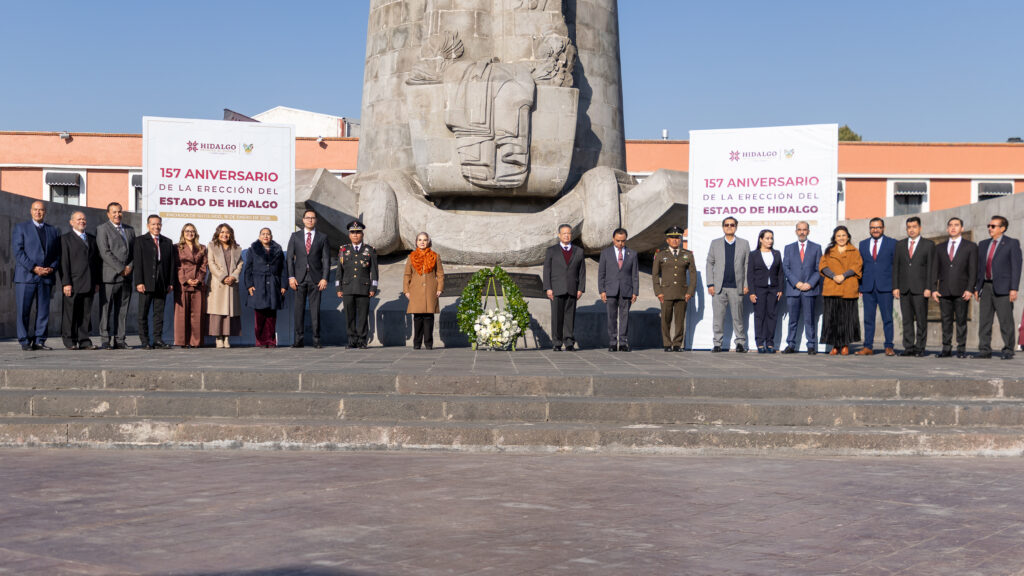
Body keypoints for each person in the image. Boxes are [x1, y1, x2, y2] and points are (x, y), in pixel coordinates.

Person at [12, 201, 62, 351]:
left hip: (46, 277)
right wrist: (34, 268)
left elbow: (57, 254)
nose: (38, 212)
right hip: (26, 277)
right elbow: (18, 252)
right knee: (23, 311)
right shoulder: (21, 228)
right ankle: (24, 341)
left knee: (43, 311)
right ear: (31, 211)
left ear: (45, 212)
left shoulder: (53, 230)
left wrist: (51, 268)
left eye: (41, 210)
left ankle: (40, 340)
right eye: (35, 209)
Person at [974, 215, 1022, 360]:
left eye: (993, 226)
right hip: (986, 287)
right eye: (989, 226)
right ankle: (984, 350)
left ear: (1002, 228)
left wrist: (1014, 288)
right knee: (984, 321)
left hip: (1004, 288)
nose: (990, 228)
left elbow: (1016, 267)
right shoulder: (983, 244)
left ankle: (1008, 350)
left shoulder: (1011, 243)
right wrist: (977, 287)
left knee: (1006, 321)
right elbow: (979, 268)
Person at [931, 217, 977, 358]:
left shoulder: (970, 246)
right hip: (944, 291)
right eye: (950, 225)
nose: (953, 227)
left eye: (956, 225)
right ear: (947, 229)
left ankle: (961, 349)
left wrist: (970, 289)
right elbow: (934, 270)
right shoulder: (939, 248)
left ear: (962, 228)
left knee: (961, 321)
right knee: (946, 321)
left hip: (962, 291)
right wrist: (933, 289)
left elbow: (973, 270)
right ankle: (946, 348)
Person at [287, 210, 331, 348]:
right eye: (308, 218)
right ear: (303, 220)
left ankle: (316, 339)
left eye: (312, 218)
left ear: (316, 220)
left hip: (316, 278)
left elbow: (326, 259)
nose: (310, 220)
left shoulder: (322, 237)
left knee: (315, 310)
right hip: (298, 278)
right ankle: (298, 339)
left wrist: (325, 278)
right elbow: (289, 258)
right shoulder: (295, 236)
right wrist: (291, 277)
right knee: (298, 310)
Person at [58, 211, 101, 350]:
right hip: (73, 282)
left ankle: (84, 340)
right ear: (71, 222)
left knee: (85, 313)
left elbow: (96, 262)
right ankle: (69, 340)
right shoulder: (65, 239)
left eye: (83, 219)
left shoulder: (92, 239)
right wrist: (66, 282)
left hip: (89, 282)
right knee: (70, 313)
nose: (82, 221)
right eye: (78, 219)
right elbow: (64, 262)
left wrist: (97, 282)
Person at [892, 216, 935, 357]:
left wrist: (929, 287)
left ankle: (920, 347)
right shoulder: (900, 245)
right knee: (907, 319)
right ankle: (908, 347)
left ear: (920, 228)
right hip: (904, 288)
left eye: (914, 227)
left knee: (921, 320)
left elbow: (931, 268)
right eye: (909, 227)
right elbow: (896, 267)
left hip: (921, 289)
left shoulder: (928, 245)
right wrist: (895, 286)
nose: (911, 230)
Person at [706, 216, 749, 353]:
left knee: (738, 318)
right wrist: (710, 284)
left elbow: (747, 265)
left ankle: (740, 343)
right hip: (719, 288)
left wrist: (746, 284)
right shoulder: (715, 243)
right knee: (718, 318)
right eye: (726, 225)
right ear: (723, 227)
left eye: (732, 225)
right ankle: (717, 343)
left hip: (737, 287)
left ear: (736, 227)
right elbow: (709, 263)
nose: (729, 227)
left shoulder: (744, 244)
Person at [96, 202, 135, 349]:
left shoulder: (130, 230)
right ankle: (105, 339)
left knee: (122, 310)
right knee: (106, 309)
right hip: (110, 277)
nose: (117, 215)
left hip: (126, 277)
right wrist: (120, 268)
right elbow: (104, 252)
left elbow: (134, 251)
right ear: (108, 214)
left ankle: (120, 339)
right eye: (114, 212)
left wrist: (130, 266)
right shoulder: (102, 229)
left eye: (119, 212)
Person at [133, 214, 175, 350]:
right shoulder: (140, 241)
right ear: (148, 226)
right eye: (153, 224)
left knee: (159, 314)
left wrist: (170, 282)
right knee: (143, 314)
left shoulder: (167, 242)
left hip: (162, 283)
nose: (156, 227)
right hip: (146, 283)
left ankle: (157, 339)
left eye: (158, 224)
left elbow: (171, 264)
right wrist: (139, 282)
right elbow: (138, 263)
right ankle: (144, 340)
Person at [819, 225, 863, 355]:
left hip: (848, 288)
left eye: (843, 235)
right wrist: (834, 276)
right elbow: (823, 266)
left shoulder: (854, 251)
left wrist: (844, 275)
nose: (841, 238)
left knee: (847, 318)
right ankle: (835, 345)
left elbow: (857, 266)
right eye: (838, 236)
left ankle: (845, 345)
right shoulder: (828, 251)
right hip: (832, 287)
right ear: (834, 238)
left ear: (848, 237)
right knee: (832, 318)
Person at [542, 224, 586, 351]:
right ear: (559, 235)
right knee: (556, 317)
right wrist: (548, 288)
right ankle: (557, 342)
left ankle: (569, 342)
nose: (567, 236)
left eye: (569, 233)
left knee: (569, 317)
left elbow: (582, 272)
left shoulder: (578, 251)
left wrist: (580, 288)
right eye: (564, 233)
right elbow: (547, 271)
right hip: (556, 289)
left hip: (572, 288)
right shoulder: (551, 251)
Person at [651, 226, 694, 352]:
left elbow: (693, 275)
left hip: (682, 292)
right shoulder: (660, 254)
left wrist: (690, 292)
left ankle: (677, 344)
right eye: (672, 238)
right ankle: (666, 343)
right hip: (666, 292)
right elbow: (655, 274)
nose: (675, 240)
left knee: (680, 320)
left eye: (677, 238)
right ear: (667, 240)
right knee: (666, 319)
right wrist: (658, 292)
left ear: (680, 240)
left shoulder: (687, 254)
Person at [337, 220, 379, 348]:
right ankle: (351, 340)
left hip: (363, 287)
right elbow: (339, 271)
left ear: (362, 234)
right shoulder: (343, 250)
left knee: (362, 315)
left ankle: (362, 340)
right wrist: (339, 288)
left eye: (358, 232)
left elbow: (374, 271)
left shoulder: (369, 250)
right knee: (349, 315)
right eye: (353, 232)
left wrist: (373, 287)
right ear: (349, 235)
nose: (355, 235)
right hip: (348, 287)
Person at [244, 228, 289, 348]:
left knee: (271, 315)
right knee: (259, 315)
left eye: (268, 234)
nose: (265, 236)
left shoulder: (278, 250)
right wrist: (249, 285)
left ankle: (270, 340)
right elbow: (248, 269)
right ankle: (261, 341)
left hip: (274, 284)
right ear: (259, 236)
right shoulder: (253, 249)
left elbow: (283, 269)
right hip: (258, 284)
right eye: (263, 234)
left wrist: (284, 285)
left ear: (271, 236)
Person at [858, 217, 896, 356]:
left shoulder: (892, 243)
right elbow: (860, 267)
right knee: (868, 319)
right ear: (869, 229)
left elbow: (896, 266)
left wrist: (895, 286)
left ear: (883, 228)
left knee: (887, 318)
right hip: (868, 287)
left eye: (878, 227)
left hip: (886, 287)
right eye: (873, 227)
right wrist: (860, 286)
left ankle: (889, 346)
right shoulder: (863, 244)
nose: (875, 230)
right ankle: (868, 346)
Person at [782, 221, 822, 355]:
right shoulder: (788, 248)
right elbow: (786, 268)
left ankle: (811, 345)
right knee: (792, 320)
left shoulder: (816, 248)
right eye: (799, 229)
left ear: (808, 231)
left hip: (810, 290)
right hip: (793, 289)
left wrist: (810, 284)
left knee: (809, 320)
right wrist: (796, 283)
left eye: (804, 230)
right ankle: (791, 344)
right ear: (796, 232)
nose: (802, 232)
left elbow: (819, 269)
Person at [600, 228, 640, 352]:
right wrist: (602, 290)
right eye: (618, 240)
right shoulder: (605, 253)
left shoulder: (632, 254)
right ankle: (612, 342)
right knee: (611, 317)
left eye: (623, 241)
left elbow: (635, 275)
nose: (620, 243)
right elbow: (601, 274)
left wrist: (635, 292)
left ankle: (623, 342)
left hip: (626, 290)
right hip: (610, 290)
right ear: (613, 239)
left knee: (624, 317)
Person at [403, 232, 444, 350]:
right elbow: (407, 275)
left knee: (429, 317)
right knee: (417, 317)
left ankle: (428, 343)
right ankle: (417, 343)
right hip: (415, 290)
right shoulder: (411, 257)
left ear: (428, 242)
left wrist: (440, 288)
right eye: (420, 240)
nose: (422, 242)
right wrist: (406, 290)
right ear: (416, 242)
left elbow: (440, 274)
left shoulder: (435, 256)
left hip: (431, 290)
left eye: (425, 240)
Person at [207, 223, 243, 348]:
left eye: (227, 232)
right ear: (218, 233)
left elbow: (240, 264)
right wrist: (223, 277)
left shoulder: (237, 248)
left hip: (231, 284)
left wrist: (233, 276)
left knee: (229, 311)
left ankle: (227, 337)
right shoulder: (212, 246)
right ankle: (218, 338)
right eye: (222, 232)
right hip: (218, 283)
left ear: (231, 234)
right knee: (217, 312)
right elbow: (211, 263)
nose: (224, 234)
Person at [747, 229, 783, 354]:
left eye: (771, 238)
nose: (770, 240)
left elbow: (780, 273)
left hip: (773, 289)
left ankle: (770, 342)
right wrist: (752, 292)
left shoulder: (777, 253)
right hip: (759, 289)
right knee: (760, 316)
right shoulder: (753, 254)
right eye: (767, 238)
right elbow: (750, 274)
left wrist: (780, 289)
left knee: (772, 315)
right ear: (761, 239)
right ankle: (760, 342)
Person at [173, 223, 207, 349]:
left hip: (197, 284)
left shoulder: (202, 248)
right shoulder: (176, 247)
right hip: (182, 284)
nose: (190, 233)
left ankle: (195, 342)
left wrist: (198, 279)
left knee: (197, 313)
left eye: (192, 231)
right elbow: (176, 265)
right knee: (181, 314)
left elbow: (204, 265)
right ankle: (183, 341)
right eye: (187, 231)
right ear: (183, 233)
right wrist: (186, 279)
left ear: (195, 233)